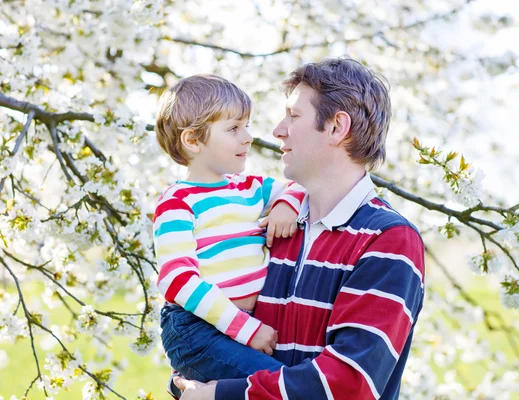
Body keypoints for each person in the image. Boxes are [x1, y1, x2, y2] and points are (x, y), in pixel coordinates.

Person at [174, 58, 426, 400]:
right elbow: (207, 339)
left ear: (337, 127)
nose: (278, 129)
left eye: (294, 116)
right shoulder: (269, 229)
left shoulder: (388, 241)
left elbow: (349, 385)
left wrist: (218, 395)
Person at [153, 75, 307, 394]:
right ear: (193, 141)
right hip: (197, 330)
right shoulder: (178, 202)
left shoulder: (248, 188)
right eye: (234, 128)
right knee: (284, 386)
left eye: (247, 126)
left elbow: (298, 187)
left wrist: (285, 207)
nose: (248, 137)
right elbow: (178, 281)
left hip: (238, 325)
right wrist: (246, 330)